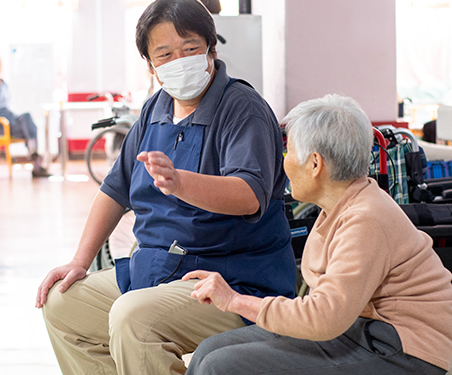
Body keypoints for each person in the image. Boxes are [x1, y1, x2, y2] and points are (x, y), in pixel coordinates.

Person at [35, 1, 296, 374]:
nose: (180, 60)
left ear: (211, 49)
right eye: (165, 54)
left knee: (134, 319)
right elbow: (114, 189)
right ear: (150, 65)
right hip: (158, 270)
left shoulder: (243, 109)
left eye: (190, 49)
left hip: (231, 278)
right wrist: (78, 262)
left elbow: (248, 195)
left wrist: (179, 182)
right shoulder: (154, 110)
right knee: (62, 305)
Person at [183, 94, 452, 375]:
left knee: (222, 366)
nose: (284, 162)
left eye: (288, 152)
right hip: (357, 328)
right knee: (210, 350)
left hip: (401, 350)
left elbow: (323, 317)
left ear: (315, 164)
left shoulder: (365, 219)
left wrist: (234, 301)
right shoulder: (342, 204)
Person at [0, 57, 50, 177]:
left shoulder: (4, 84)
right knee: (29, 128)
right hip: (2, 122)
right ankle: (35, 160)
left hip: (10, 116)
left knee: (27, 118)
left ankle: (33, 151)